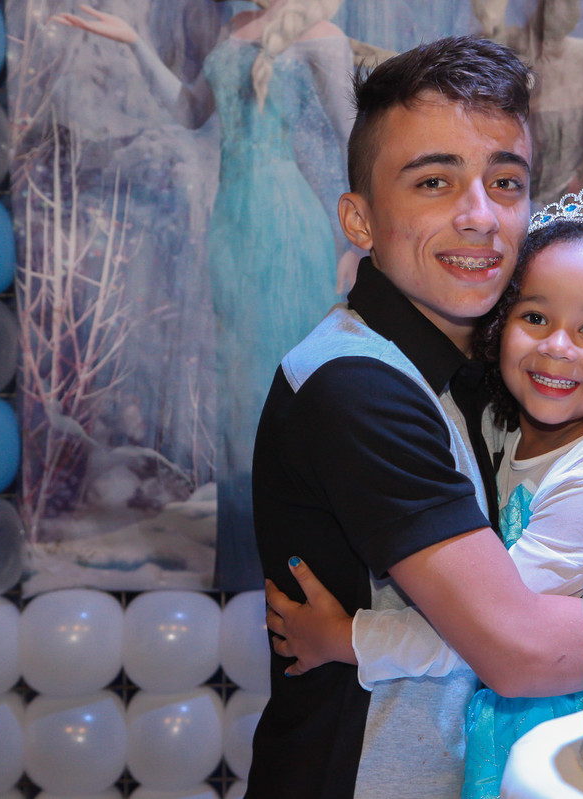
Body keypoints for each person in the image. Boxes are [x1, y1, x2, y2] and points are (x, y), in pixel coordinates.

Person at [246, 36, 583, 798]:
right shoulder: (355, 386)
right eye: (435, 181)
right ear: (361, 220)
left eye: (505, 182)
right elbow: (519, 646)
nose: (480, 216)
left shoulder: (494, 370)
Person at [266, 181, 583, 799]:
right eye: (536, 318)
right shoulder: (502, 428)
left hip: (564, 745)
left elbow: (484, 632)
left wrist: (343, 638)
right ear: (502, 326)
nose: (556, 346)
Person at [52, 0, 355, 587]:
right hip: (232, 225)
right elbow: (191, 111)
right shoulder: (234, 28)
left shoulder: (321, 35)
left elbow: (358, 139)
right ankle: (248, 560)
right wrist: (133, 41)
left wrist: (357, 244)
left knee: (288, 391)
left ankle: (306, 565)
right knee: (240, 395)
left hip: (286, 227)